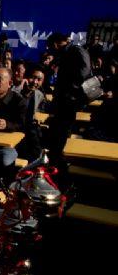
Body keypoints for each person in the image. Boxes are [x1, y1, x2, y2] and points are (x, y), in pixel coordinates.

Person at [45, 31, 92, 172]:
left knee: (62, 133)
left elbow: (84, 72)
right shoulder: (65, 53)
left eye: (50, 47)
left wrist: (70, 89)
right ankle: (55, 162)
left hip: (69, 101)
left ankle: (59, 166)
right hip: (63, 100)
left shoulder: (76, 50)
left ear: (55, 44)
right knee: (57, 133)